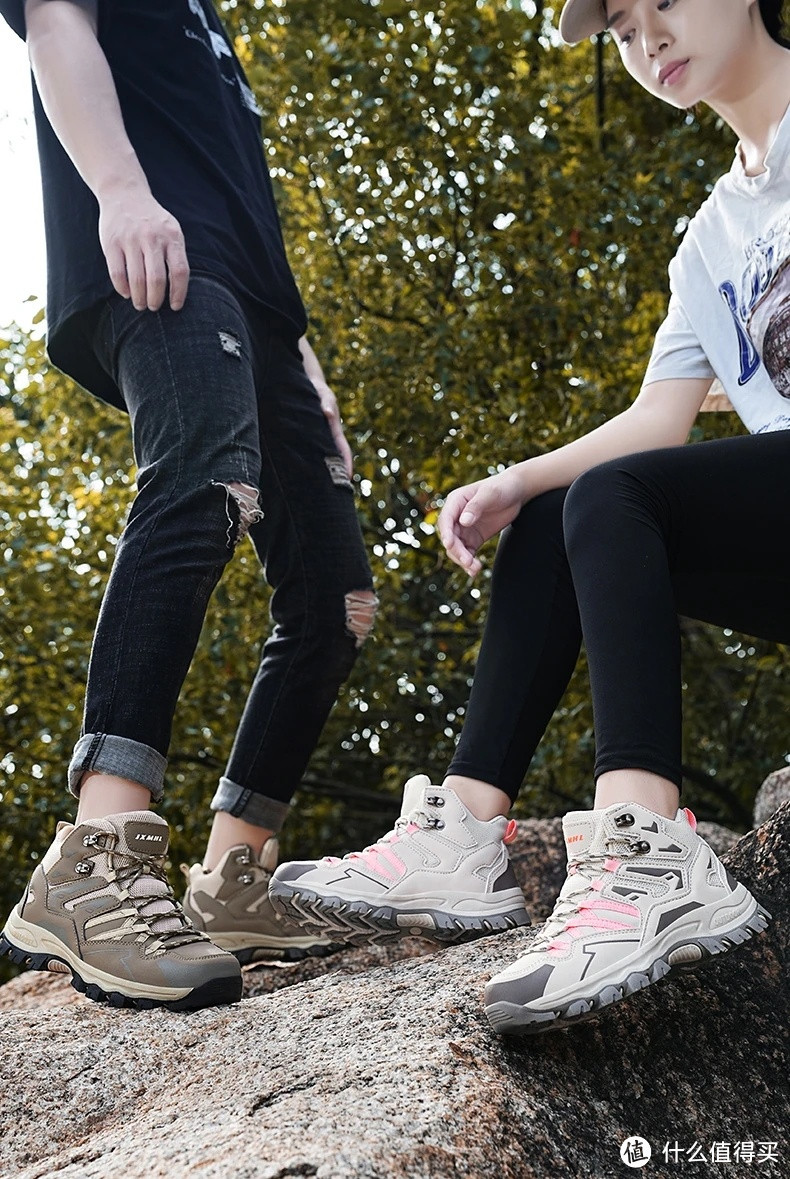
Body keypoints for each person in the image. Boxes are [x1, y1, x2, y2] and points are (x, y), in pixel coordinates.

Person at [270, 0, 785, 1035]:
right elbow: (657, 422)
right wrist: (515, 482)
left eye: (662, 5)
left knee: (614, 497)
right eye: (624, 29)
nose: (647, 40)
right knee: (565, 511)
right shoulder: (710, 238)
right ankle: (463, 836)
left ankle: (643, 847)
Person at [0, 0, 377, 1011]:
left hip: (257, 309)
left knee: (339, 602)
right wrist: (120, 191)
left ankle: (232, 879)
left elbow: (243, 195)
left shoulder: (208, 27)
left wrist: (300, 356)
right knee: (205, 491)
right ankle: (92, 857)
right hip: (158, 255)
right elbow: (51, 24)